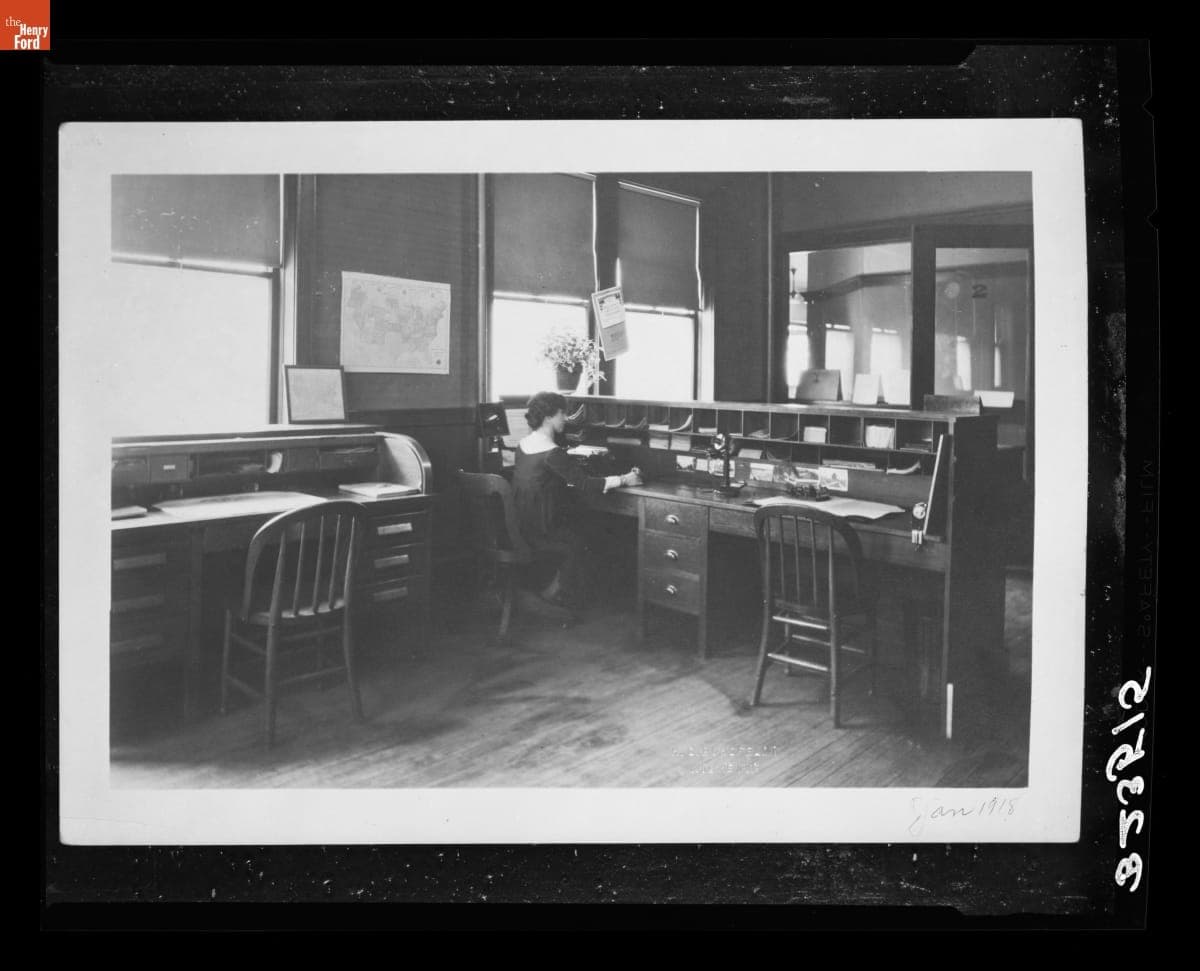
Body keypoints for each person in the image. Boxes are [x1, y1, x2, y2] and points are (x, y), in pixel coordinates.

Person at [512, 391, 642, 609]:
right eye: (562, 413)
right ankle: (557, 593)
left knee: (585, 526)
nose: (566, 418)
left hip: (522, 524)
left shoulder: (522, 446)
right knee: (588, 536)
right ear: (548, 417)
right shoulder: (552, 452)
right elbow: (583, 483)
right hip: (544, 528)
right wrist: (624, 479)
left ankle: (556, 589)